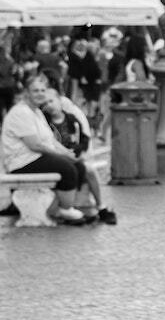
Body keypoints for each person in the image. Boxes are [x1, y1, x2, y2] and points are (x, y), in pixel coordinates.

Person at [2, 74, 88, 223]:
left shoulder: (37, 112)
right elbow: (35, 145)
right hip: (22, 162)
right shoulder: (21, 112)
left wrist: (67, 153)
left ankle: (57, 208)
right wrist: (61, 156)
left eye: (43, 90)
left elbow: (51, 141)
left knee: (78, 166)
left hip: (35, 158)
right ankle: (65, 210)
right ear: (26, 93)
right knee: (67, 169)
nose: (40, 93)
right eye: (35, 90)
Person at [41, 88, 116, 225]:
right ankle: (67, 208)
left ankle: (101, 206)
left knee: (89, 170)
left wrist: (77, 150)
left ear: (60, 100)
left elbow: (84, 139)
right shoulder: (44, 121)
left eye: (51, 101)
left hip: (73, 156)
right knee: (73, 169)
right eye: (45, 103)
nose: (49, 106)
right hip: (55, 158)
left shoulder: (71, 119)